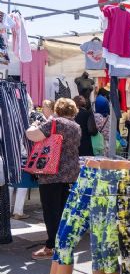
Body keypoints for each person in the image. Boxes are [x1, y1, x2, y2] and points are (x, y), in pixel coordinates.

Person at [26, 98, 81, 260]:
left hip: (51, 172)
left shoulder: (54, 123)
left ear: (58, 109)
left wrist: (34, 125)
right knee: (63, 211)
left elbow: (32, 136)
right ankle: (62, 244)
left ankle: (51, 246)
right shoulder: (76, 126)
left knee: (51, 212)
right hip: (69, 173)